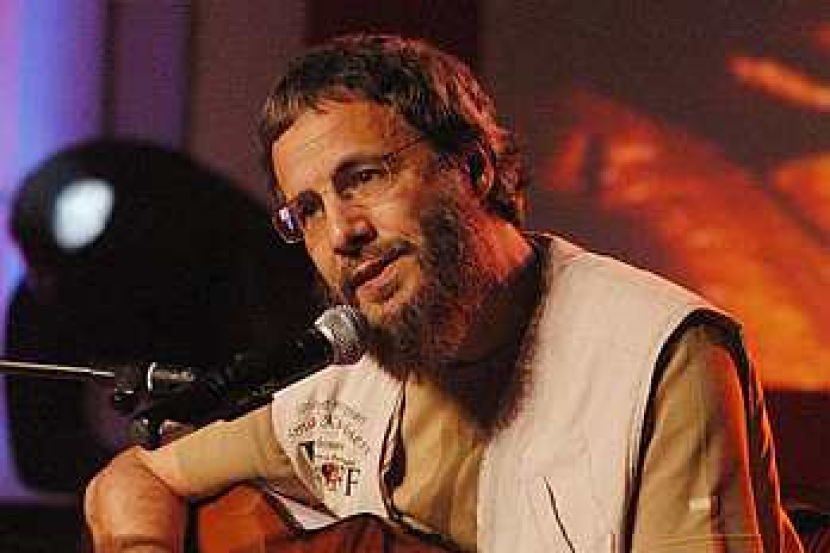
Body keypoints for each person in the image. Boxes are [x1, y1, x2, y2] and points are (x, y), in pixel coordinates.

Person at [84, 34, 803, 553]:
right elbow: (134, 475)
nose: (342, 232)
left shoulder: (661, 355)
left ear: (473, 167)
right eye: (307, 210)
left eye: (364, 177)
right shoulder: (343, 379)